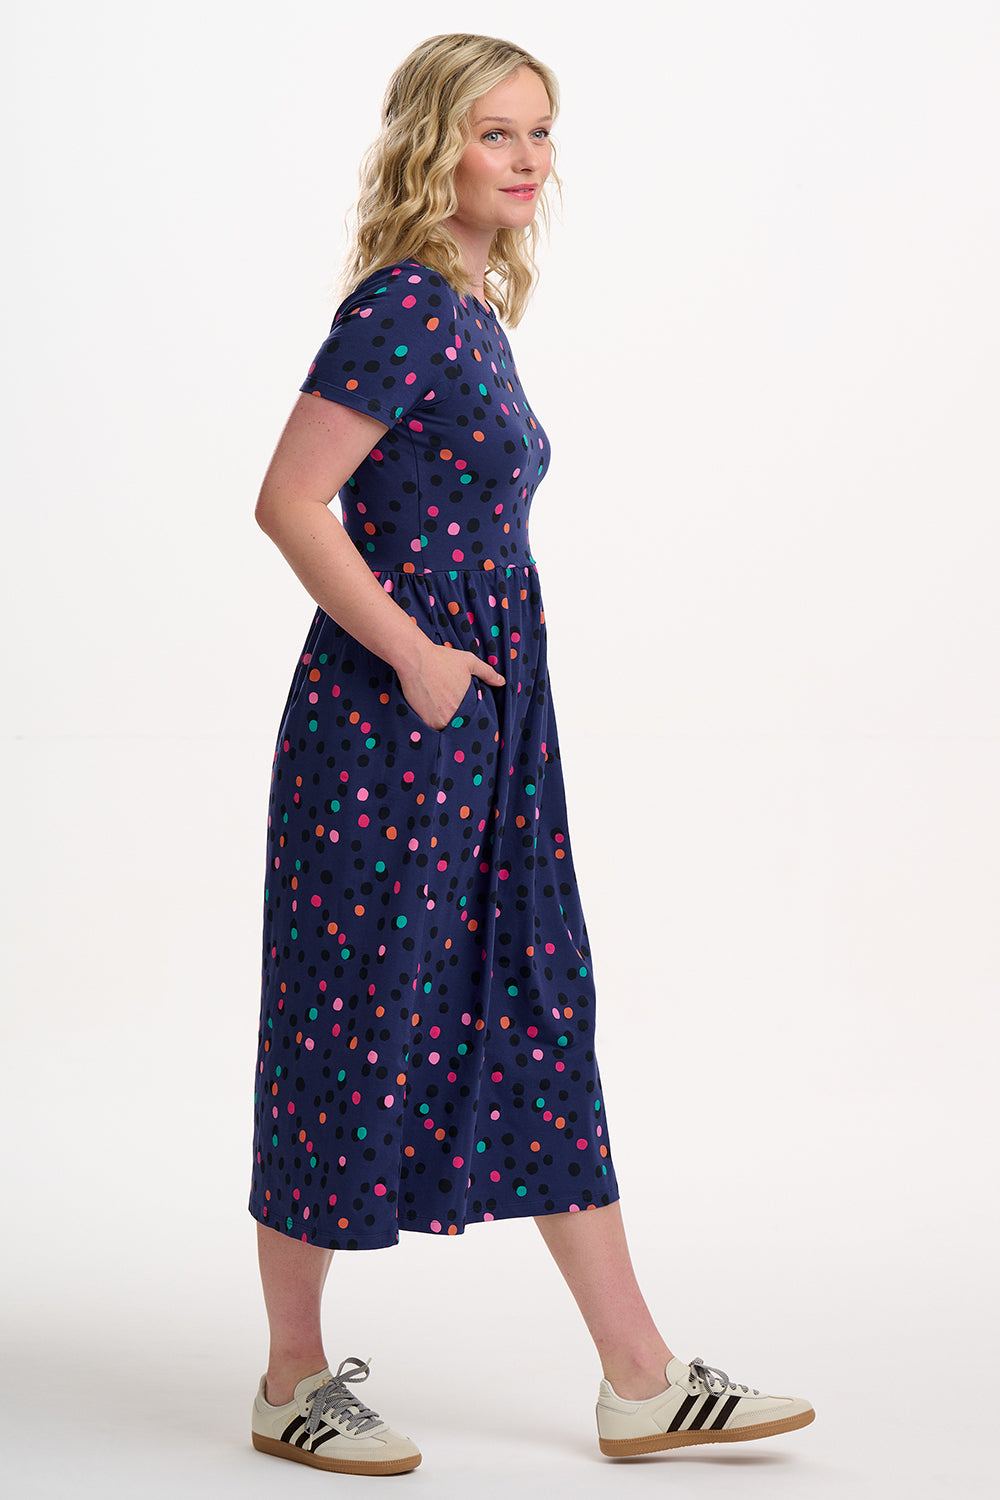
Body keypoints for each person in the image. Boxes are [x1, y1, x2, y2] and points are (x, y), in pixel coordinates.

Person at [247, 32, 815, 1476]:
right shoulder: (401, 315)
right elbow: (289, 501)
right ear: (433, 143)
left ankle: (641, 1376)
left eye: (540, 134)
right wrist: (420, 660)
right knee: (347, 1027)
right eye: (494, 132)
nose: (523, 158)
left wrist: (470, 693)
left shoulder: (470, 312)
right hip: (389, 735)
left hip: (486, 740)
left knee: (542, 1015)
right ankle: (291, 1377)